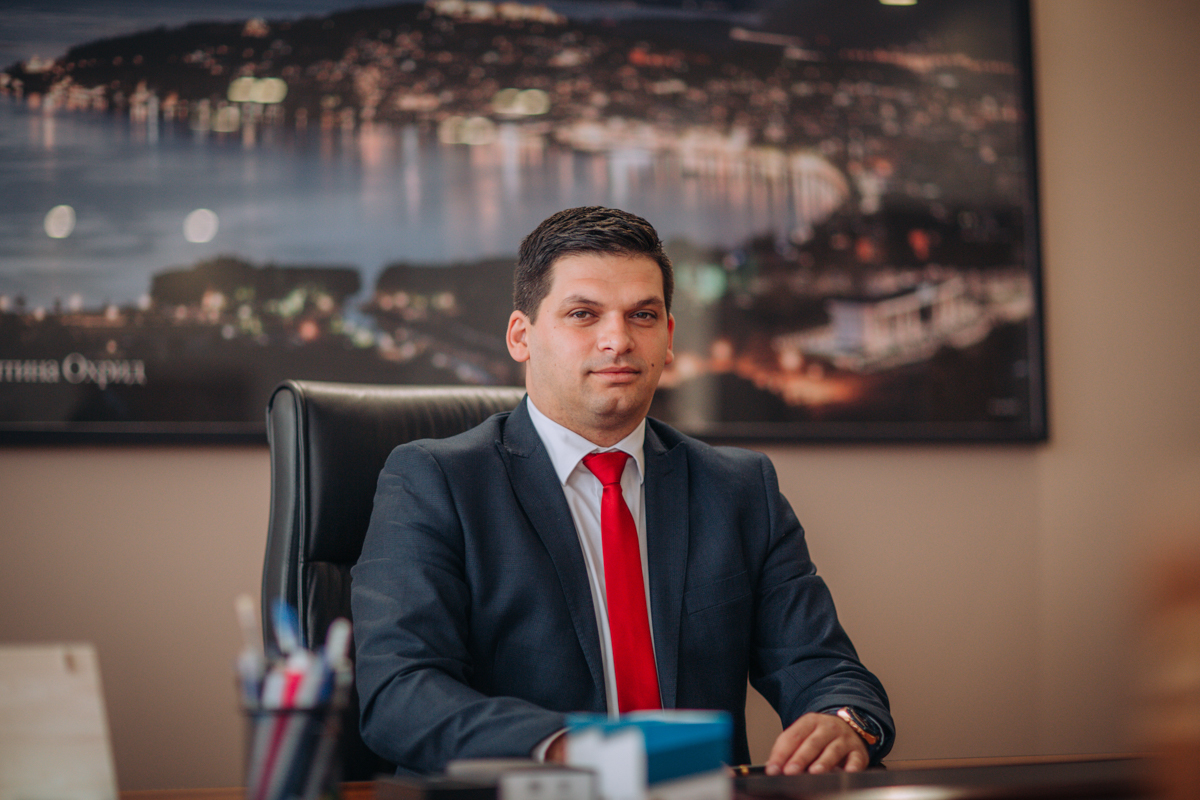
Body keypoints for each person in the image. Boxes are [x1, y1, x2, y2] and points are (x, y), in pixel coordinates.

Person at [351, 206, 893, 776]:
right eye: (583, 314)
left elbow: (826, 668)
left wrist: (842, 720)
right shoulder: (434, 482)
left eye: (643, 315)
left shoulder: (739, 489)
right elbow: (400, 693)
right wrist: (567, 748)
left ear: (668, 337)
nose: (618, 339)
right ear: (521, 337)